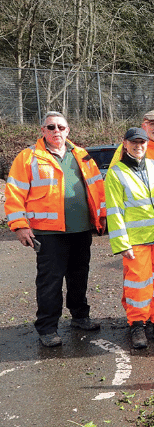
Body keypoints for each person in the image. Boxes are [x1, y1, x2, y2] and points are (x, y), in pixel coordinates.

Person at [4, 111, 106, 347]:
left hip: (80, 230)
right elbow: (14, 193)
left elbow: (97, 189)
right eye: (51, 127)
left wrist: (101, 217)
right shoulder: (29, 157)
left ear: (68, 130)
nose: (56, 131)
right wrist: (19, 225)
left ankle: (80, 317)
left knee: (79, 276)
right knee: (50, 282)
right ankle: (48, 328)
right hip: (48, 233)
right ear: (43, 131)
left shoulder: (81, 155)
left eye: (61, 127)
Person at [105, 127, 154, 349]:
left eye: (142, 142)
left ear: (147, 145)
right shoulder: (117, 172)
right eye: (134, 142)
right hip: (136, 240)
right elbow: (115, 210)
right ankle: (137, 324)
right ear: (125, 144)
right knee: (138, 284)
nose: (138, 146)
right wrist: (121, 243)